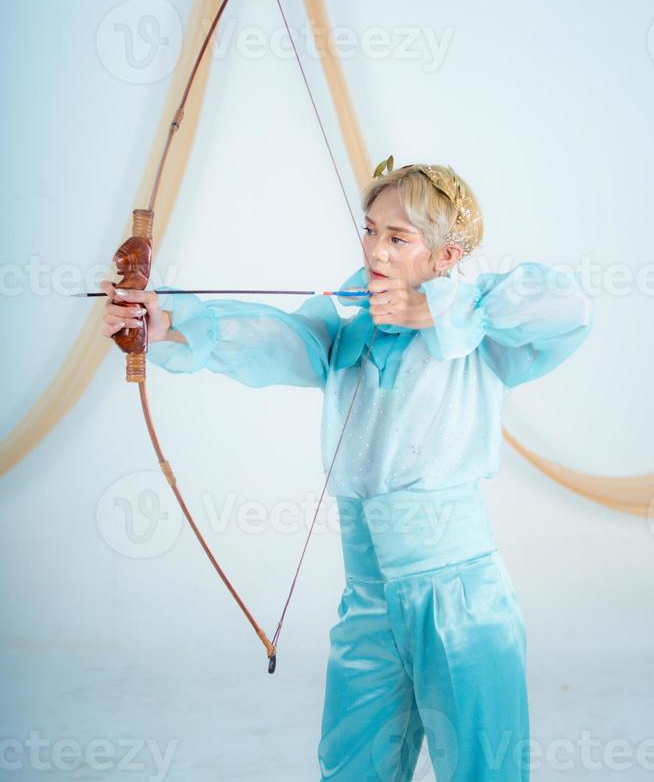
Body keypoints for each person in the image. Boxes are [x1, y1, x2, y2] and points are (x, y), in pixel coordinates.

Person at [100, 160, 593, 781]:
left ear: (448, 255)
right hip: (367, 595)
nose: (374, 249)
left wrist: (437, 310)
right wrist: (167, 324)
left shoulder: (478, 329)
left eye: (397, 237)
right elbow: (284, 337)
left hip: (458, 596)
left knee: (481, 765)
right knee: (352, 762)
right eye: (369, 230)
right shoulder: (351, 322)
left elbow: (568, 307)